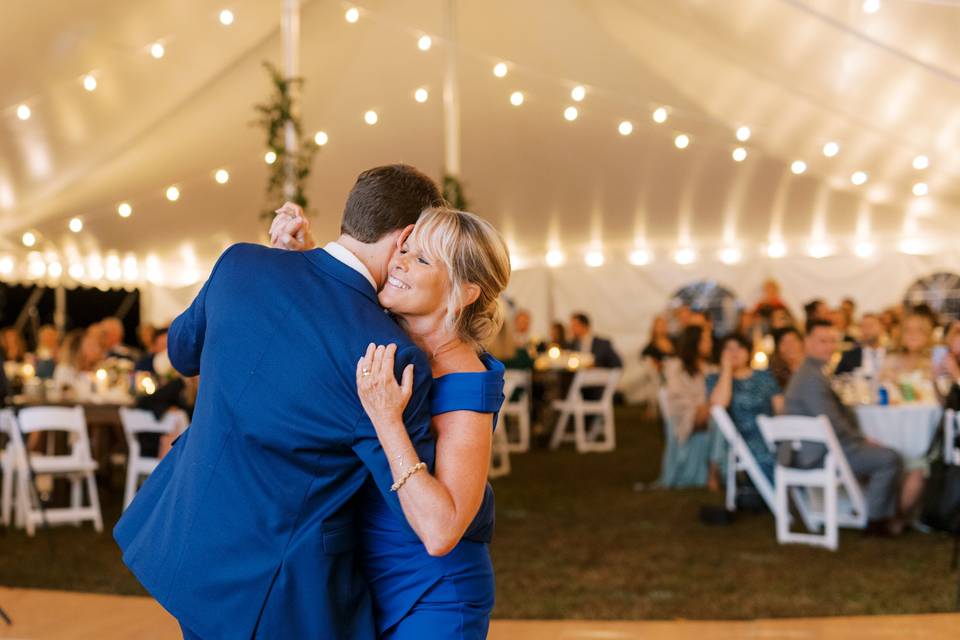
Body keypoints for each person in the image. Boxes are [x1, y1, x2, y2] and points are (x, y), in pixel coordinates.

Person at [116, 165, 506, 639]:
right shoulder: (385, 348)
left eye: (421, 258)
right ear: (403, 235)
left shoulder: (240, 262)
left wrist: (291, 268)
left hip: (192, 545)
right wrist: (298, 266)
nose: (405, 263)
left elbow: (181, 352)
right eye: (410, 251)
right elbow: (335, 310)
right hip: (276, 582)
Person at [784, 319, 902, 536]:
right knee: (889, 458)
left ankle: (879, 516)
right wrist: (861, 439)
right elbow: (831, 421)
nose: (828, 346)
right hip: (819, 453)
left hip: (819, 448)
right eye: (822, 341)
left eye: (832, 341)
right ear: (807, 343)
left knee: (884, 455)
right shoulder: (811, 377)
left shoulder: (813, 372)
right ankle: (877, 522)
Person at [707, 334, 784, 482]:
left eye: (739, 348)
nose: (734, 352)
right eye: (728, 349)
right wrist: (727, 370)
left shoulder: (764, 376)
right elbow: (718, 407)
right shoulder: (715, 379)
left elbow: (780, 408)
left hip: (768, 433)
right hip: (737, 440)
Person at [660, 325, 715, 488]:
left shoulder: (709, 367)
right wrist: (701, 406)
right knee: (718, 412)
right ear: (694, 343)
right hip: (684, 415)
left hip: (703, 411)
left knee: (719, 412)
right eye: (706, 340)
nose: (710, 344)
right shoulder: (677, 366)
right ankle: (716, 471)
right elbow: (678, 398)